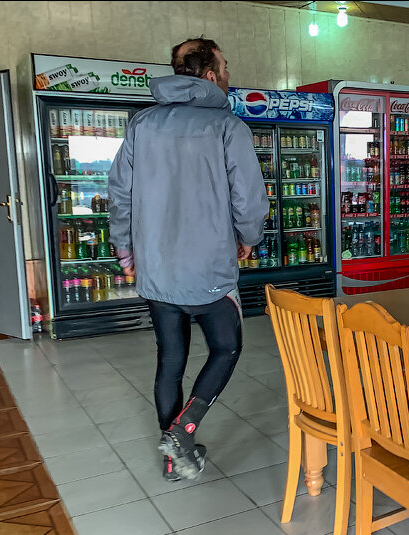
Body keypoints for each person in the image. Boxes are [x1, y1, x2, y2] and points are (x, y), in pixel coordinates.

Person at [109, 38, 267, 482]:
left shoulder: (142, 125)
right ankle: (184, 430)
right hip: (209, 271)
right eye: (226, 65)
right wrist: (248, 238)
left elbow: (119, 195)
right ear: (212, 75)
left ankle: (171, 457)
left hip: (158, 271)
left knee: (170, 359)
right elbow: (249, 201)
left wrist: (125, 251)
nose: (229, 72)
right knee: (227, 347)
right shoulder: (228, 127)